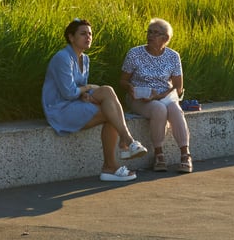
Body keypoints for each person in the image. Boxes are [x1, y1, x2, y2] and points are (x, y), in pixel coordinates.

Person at [42, 19, 148, 182]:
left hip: (75, 104)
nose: (88, 37)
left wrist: (85, 93)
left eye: (90, 34)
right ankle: (124, 145)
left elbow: (78, 88)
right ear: (71, 37)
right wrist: (88, 88)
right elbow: (69, 93)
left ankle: (113, 163)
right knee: (107, 97)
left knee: (108, 100)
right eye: (83, 33)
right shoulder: (62, 58)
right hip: (59, 109)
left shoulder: (85, 59)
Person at [120, 18, 192, 174]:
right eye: (149, 32)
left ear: (165, 38)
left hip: (164, 96)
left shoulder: (173, 56)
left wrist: (159, 96)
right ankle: (159, 154)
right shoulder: (135, 53)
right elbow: (122, 81)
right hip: (139, 98)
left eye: (155, 33)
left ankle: (185, 154)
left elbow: (178, 88)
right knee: (159, 109)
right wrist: (131, 88)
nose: (150, 36)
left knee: (174, 108)